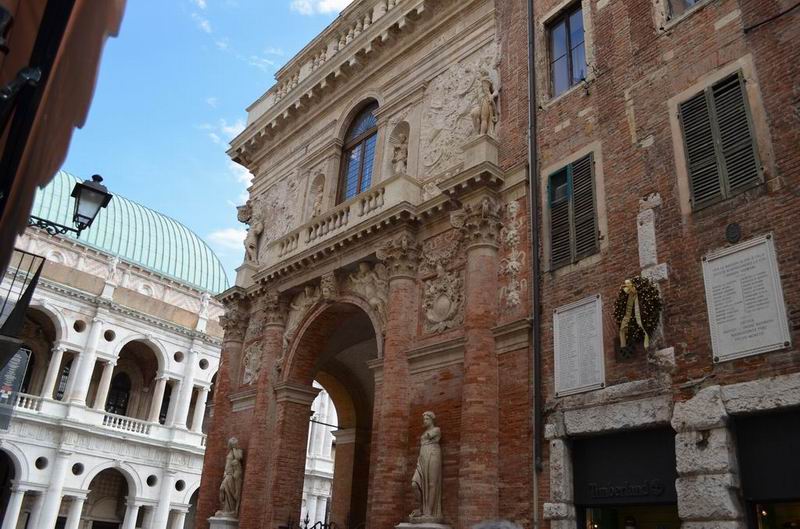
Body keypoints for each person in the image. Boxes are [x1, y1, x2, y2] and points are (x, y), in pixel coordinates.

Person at [411, 411, 443, 521]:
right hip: (422, 457)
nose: (424, 421)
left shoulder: (436, 430)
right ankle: (420, 508)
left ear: (432, 419)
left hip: (433, 454)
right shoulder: (424, 433)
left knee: (432, 484)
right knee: (414, 483)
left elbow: (430, 436)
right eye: (424, 419)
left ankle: (428, 512)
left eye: (426, 419)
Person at [218, 437, 244, 517]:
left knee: (228, 491)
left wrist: (234, 448)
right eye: (231, 443)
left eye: (233, 443)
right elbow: (227, 463)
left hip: (232, 475)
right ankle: (225, 508)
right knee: (223, 489)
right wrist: (224, 472)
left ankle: (230, 510)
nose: (231, 445)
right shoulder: (229, 452)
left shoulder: (238, 451)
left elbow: (238, 457)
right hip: (227, 474)